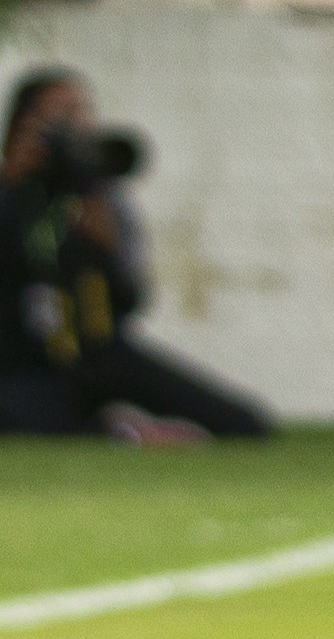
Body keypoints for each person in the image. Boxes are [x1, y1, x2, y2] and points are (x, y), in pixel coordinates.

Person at [0, 71, 273, 443]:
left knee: (245, 424)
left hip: (102, 352)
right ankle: (125, 432)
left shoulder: (100, 198)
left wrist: (104, 243)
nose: (73, 125)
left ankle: (114, 426)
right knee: (22, 414)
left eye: (81, 112)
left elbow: (130, 301)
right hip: (25, 362)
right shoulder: (11, 194)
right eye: (58, 114)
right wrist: (11, 184)